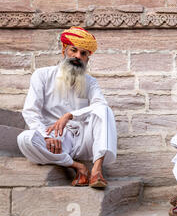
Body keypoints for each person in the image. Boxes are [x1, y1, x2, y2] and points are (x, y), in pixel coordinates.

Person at [17, 26, 117, 188]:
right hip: (55, 139)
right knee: (25, 139)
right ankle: (78, 167)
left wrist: (70, 115)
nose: (78, 56)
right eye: (74, 50)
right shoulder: (42, 75)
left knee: (103, 110)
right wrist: (45, 136)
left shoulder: (91, 82)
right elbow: (31, 111)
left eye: (83, 53)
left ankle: (97, 170)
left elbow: (100, 105)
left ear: (87, 59)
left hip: (84, 138)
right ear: (64, 50)